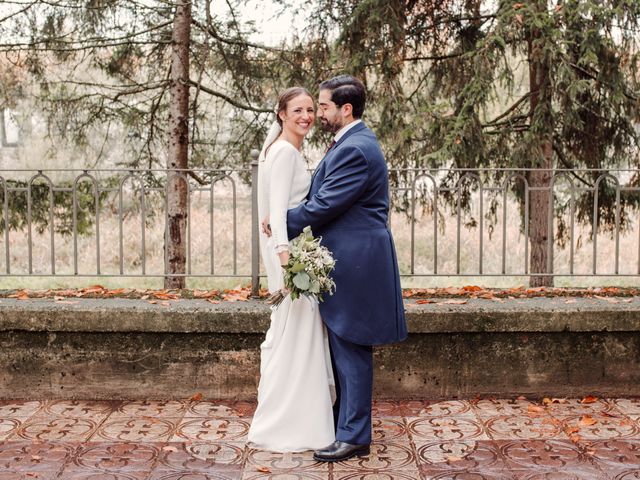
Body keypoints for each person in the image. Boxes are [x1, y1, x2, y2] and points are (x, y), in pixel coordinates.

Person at [285, 75, 408, 462]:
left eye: (323, 106)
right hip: (351, 257)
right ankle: (346, 424)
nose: (318, 113)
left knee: (352, 345)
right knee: (344, 344)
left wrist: (278, 220)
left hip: (356, 261)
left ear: (346, 109)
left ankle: (354, 435)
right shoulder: (353, 142)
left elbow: (324, 205)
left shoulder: (356, 149)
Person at [247, 87, 336, 452]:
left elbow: (275, 210)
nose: (307, 116)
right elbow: (280, 214)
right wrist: (287, 262)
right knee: (298, 339)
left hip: (295, 251)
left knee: (296, 337)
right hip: (291, 259)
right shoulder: (283, 152)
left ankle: (299, 419)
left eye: (312, 110)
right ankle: (291, 424)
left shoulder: (284, 149)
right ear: (281, 114)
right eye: (298, 110)